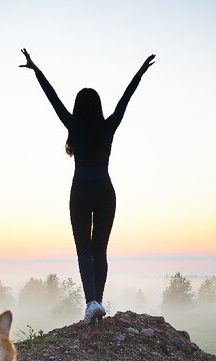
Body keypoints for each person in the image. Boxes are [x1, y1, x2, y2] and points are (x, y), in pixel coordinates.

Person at [20, 48, 155, 324]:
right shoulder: (108, 128)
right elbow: (124, 101)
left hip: (81, 191)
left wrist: (36, 70)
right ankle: (97, 304)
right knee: (100, 250)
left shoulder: (75, 126)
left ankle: (92, 302)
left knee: (84, 249)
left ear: (78, 107)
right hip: (106, 191)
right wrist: (139, 74)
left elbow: (53, 99)